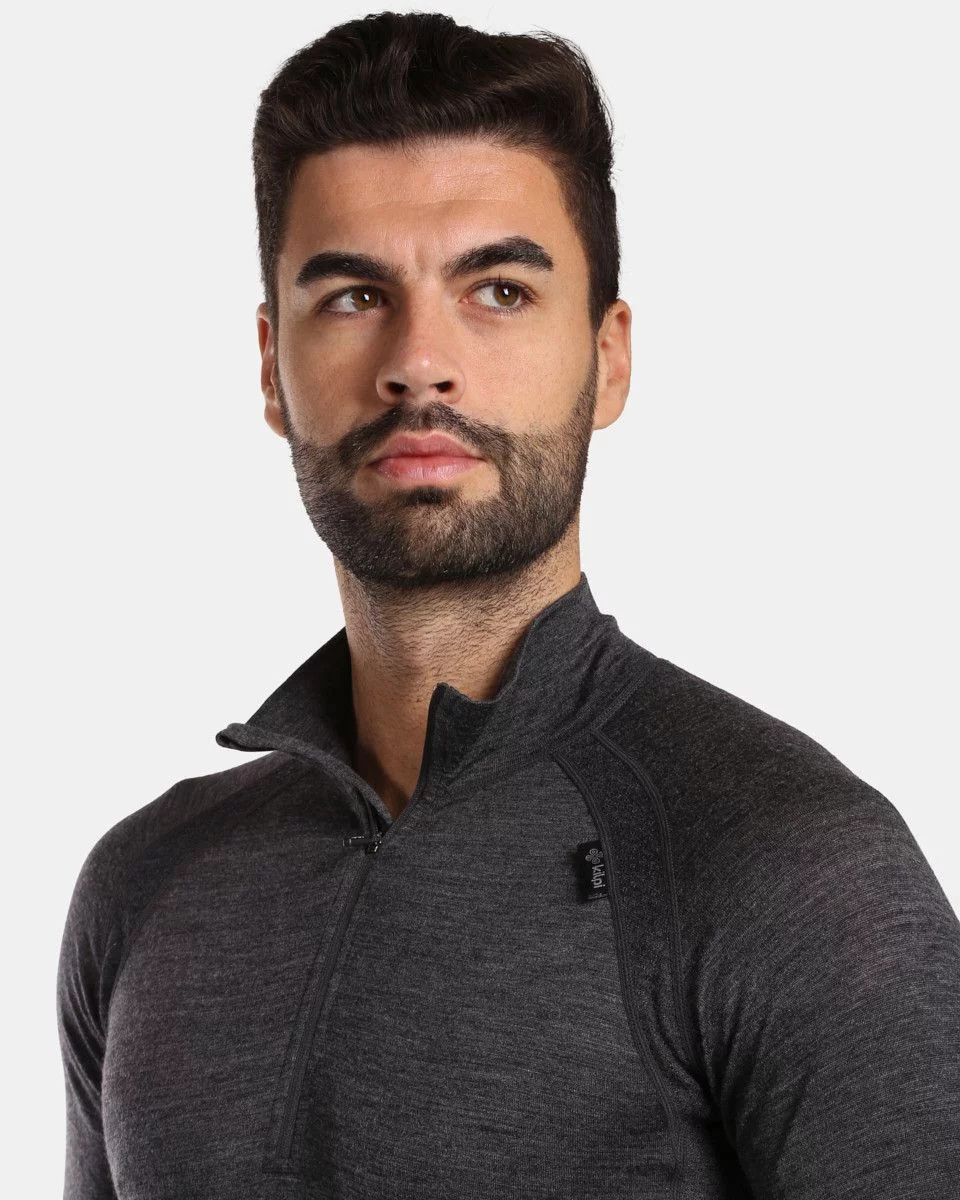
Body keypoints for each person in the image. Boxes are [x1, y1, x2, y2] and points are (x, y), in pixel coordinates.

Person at [56, 12, 960, 1199]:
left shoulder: (788, 868)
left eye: (497, 290)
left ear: (610, 358)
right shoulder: (145, 884)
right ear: (271, 367)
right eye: (353, 296)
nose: (420, 361)